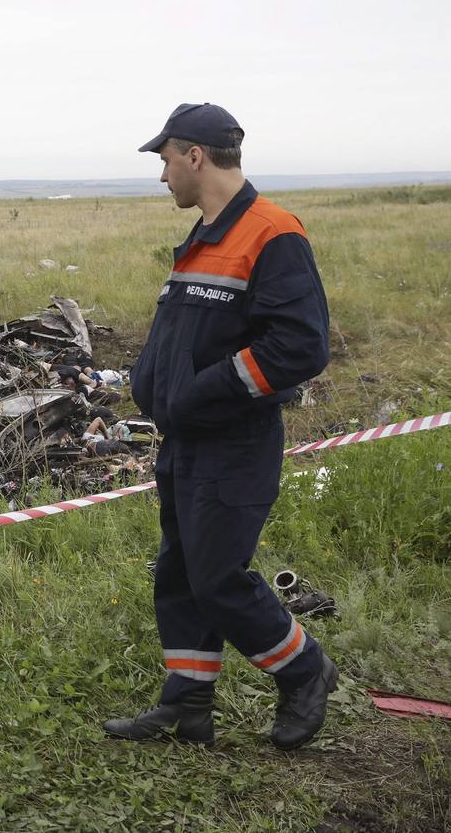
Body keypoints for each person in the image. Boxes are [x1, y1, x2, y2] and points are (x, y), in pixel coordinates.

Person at [106, 103, 336, 750]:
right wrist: (153, 381)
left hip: (234, 442)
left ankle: (303, 668)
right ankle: (186, 707)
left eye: (165, 162)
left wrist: (206, 392)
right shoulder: (206, 234)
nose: (162, 178)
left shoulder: (272, 232)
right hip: (186, 440)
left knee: (217, 578)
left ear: (195, 157)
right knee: (179, 571)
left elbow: (300, 345)